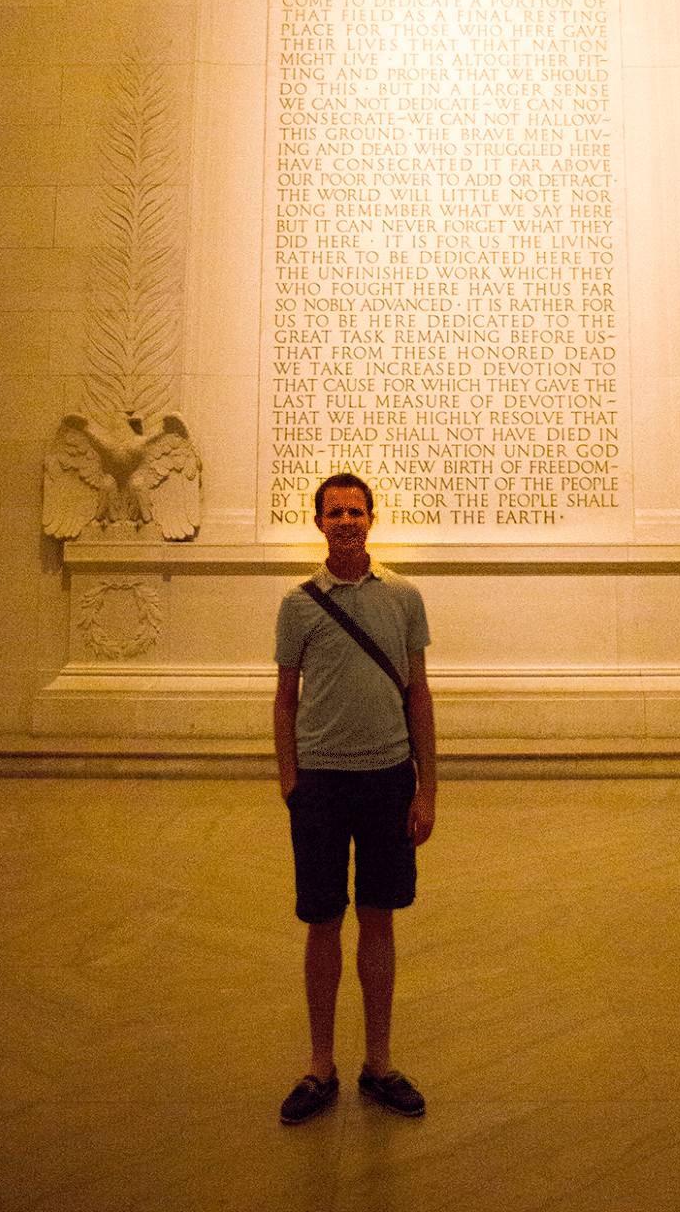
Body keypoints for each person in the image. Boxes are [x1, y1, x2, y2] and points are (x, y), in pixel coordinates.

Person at [274, 472, 437, 1124]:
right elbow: (285, 698)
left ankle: (378, 1062)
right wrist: (291, 782)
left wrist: (427, 788)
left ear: (372, 518)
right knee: (322, 922)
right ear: (318, 524)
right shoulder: (297, 604)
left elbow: (418, 695)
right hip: (321, 783)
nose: (345, 521)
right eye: (333, 512)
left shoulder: (404, 598)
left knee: (378, 918)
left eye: (355, 511)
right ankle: (320, 1065)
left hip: (386, 778)